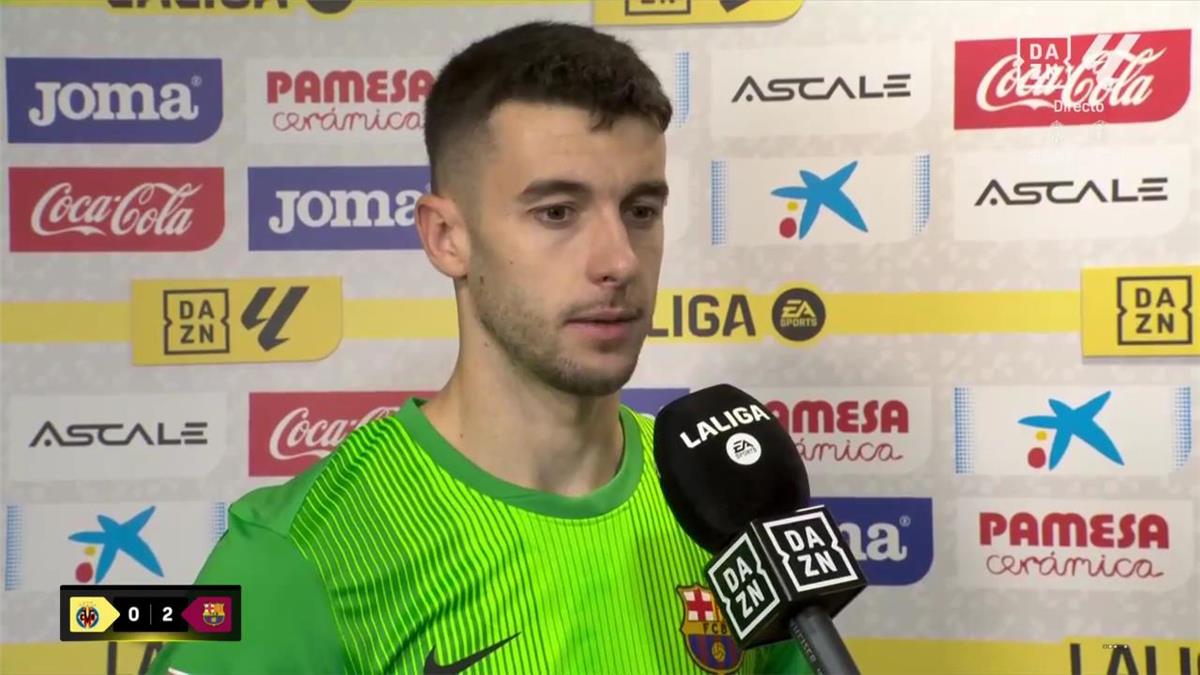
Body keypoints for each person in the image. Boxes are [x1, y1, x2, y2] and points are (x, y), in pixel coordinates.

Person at [150, 20, 807, 675]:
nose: (619, 261)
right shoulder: (295, 552)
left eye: (640, 211)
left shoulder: (724, 504)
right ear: (446, 238)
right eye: (557, 211)